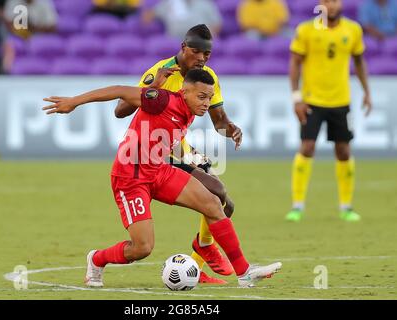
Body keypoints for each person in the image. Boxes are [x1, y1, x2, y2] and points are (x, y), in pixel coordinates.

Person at [42, 68, 282, 288]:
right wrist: (74, 101)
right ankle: (96, 259)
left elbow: (165, 135)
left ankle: (244, 272)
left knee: (212, 203)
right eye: (201, 97)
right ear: (184, 91)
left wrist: (189, 158)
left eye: (209, 98)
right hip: (130, 177)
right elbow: (118, 90)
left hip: (158, 170)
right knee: (142, 248)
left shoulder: (189, 111)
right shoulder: (160, 100)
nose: (206, 103)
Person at [114, 24, 241, 284]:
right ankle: (203, 251)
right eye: (197, 52)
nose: (202, 59)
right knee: (216, 192)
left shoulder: (208, 77)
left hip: (181, 148)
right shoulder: (160, 71)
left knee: (226, 203)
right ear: (184, 48)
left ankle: (198, 259)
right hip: (156, 151)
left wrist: (231, 129)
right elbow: (121, 110)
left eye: (207, 54)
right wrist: (156, 83)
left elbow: (218, 121)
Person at [287, 0, 372, 222]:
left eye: (334, 1)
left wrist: (366, 91)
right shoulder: (305, 30)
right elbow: (295, 63)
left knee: (343, 151)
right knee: (307, 147)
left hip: (341, 102)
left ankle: (346, 207)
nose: (330, 5)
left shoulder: (353, 30)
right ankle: (297, 206)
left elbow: (360, 61)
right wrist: (297, 98)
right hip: (312, 101)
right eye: (326, 1)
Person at [142, 0, 222, 39]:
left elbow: (217, 24)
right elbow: (149, 16)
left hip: (199, 40)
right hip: (174, 42)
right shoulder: (170, 2)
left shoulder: (206, 3)